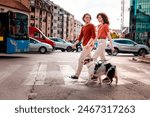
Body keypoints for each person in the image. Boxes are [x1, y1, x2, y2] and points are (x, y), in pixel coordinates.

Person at [70, 13, 96, 79]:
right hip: (84, 45)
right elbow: (80, 37)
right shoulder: (83, 27)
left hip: (89, 45)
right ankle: (93, 75)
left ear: (90, 19)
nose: (88, 18)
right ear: (84, 18)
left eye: (89, 17)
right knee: (89, 60)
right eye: (86, 17)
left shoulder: (91, 25)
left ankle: (77, 75)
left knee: (81, 59)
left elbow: (93, 36)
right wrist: (74, 44)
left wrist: (88, 44)